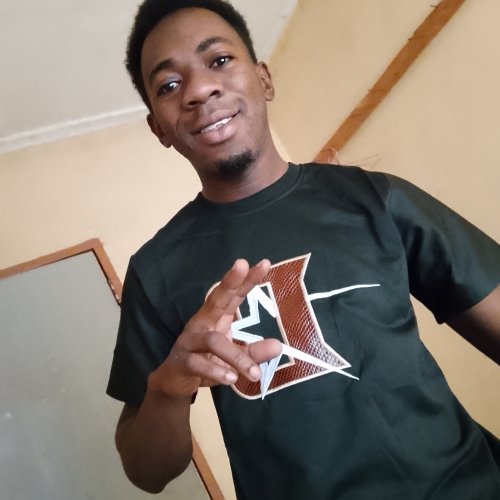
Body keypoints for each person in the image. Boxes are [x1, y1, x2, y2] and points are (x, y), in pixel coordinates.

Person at [106, 0, 500, 498]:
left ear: (264, 79)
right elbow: (147, 472)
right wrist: (167, 387)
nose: (200, 90)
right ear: (158, 128)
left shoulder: (374, 197)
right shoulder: (155, 270)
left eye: (220, 60)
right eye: (168, 85)